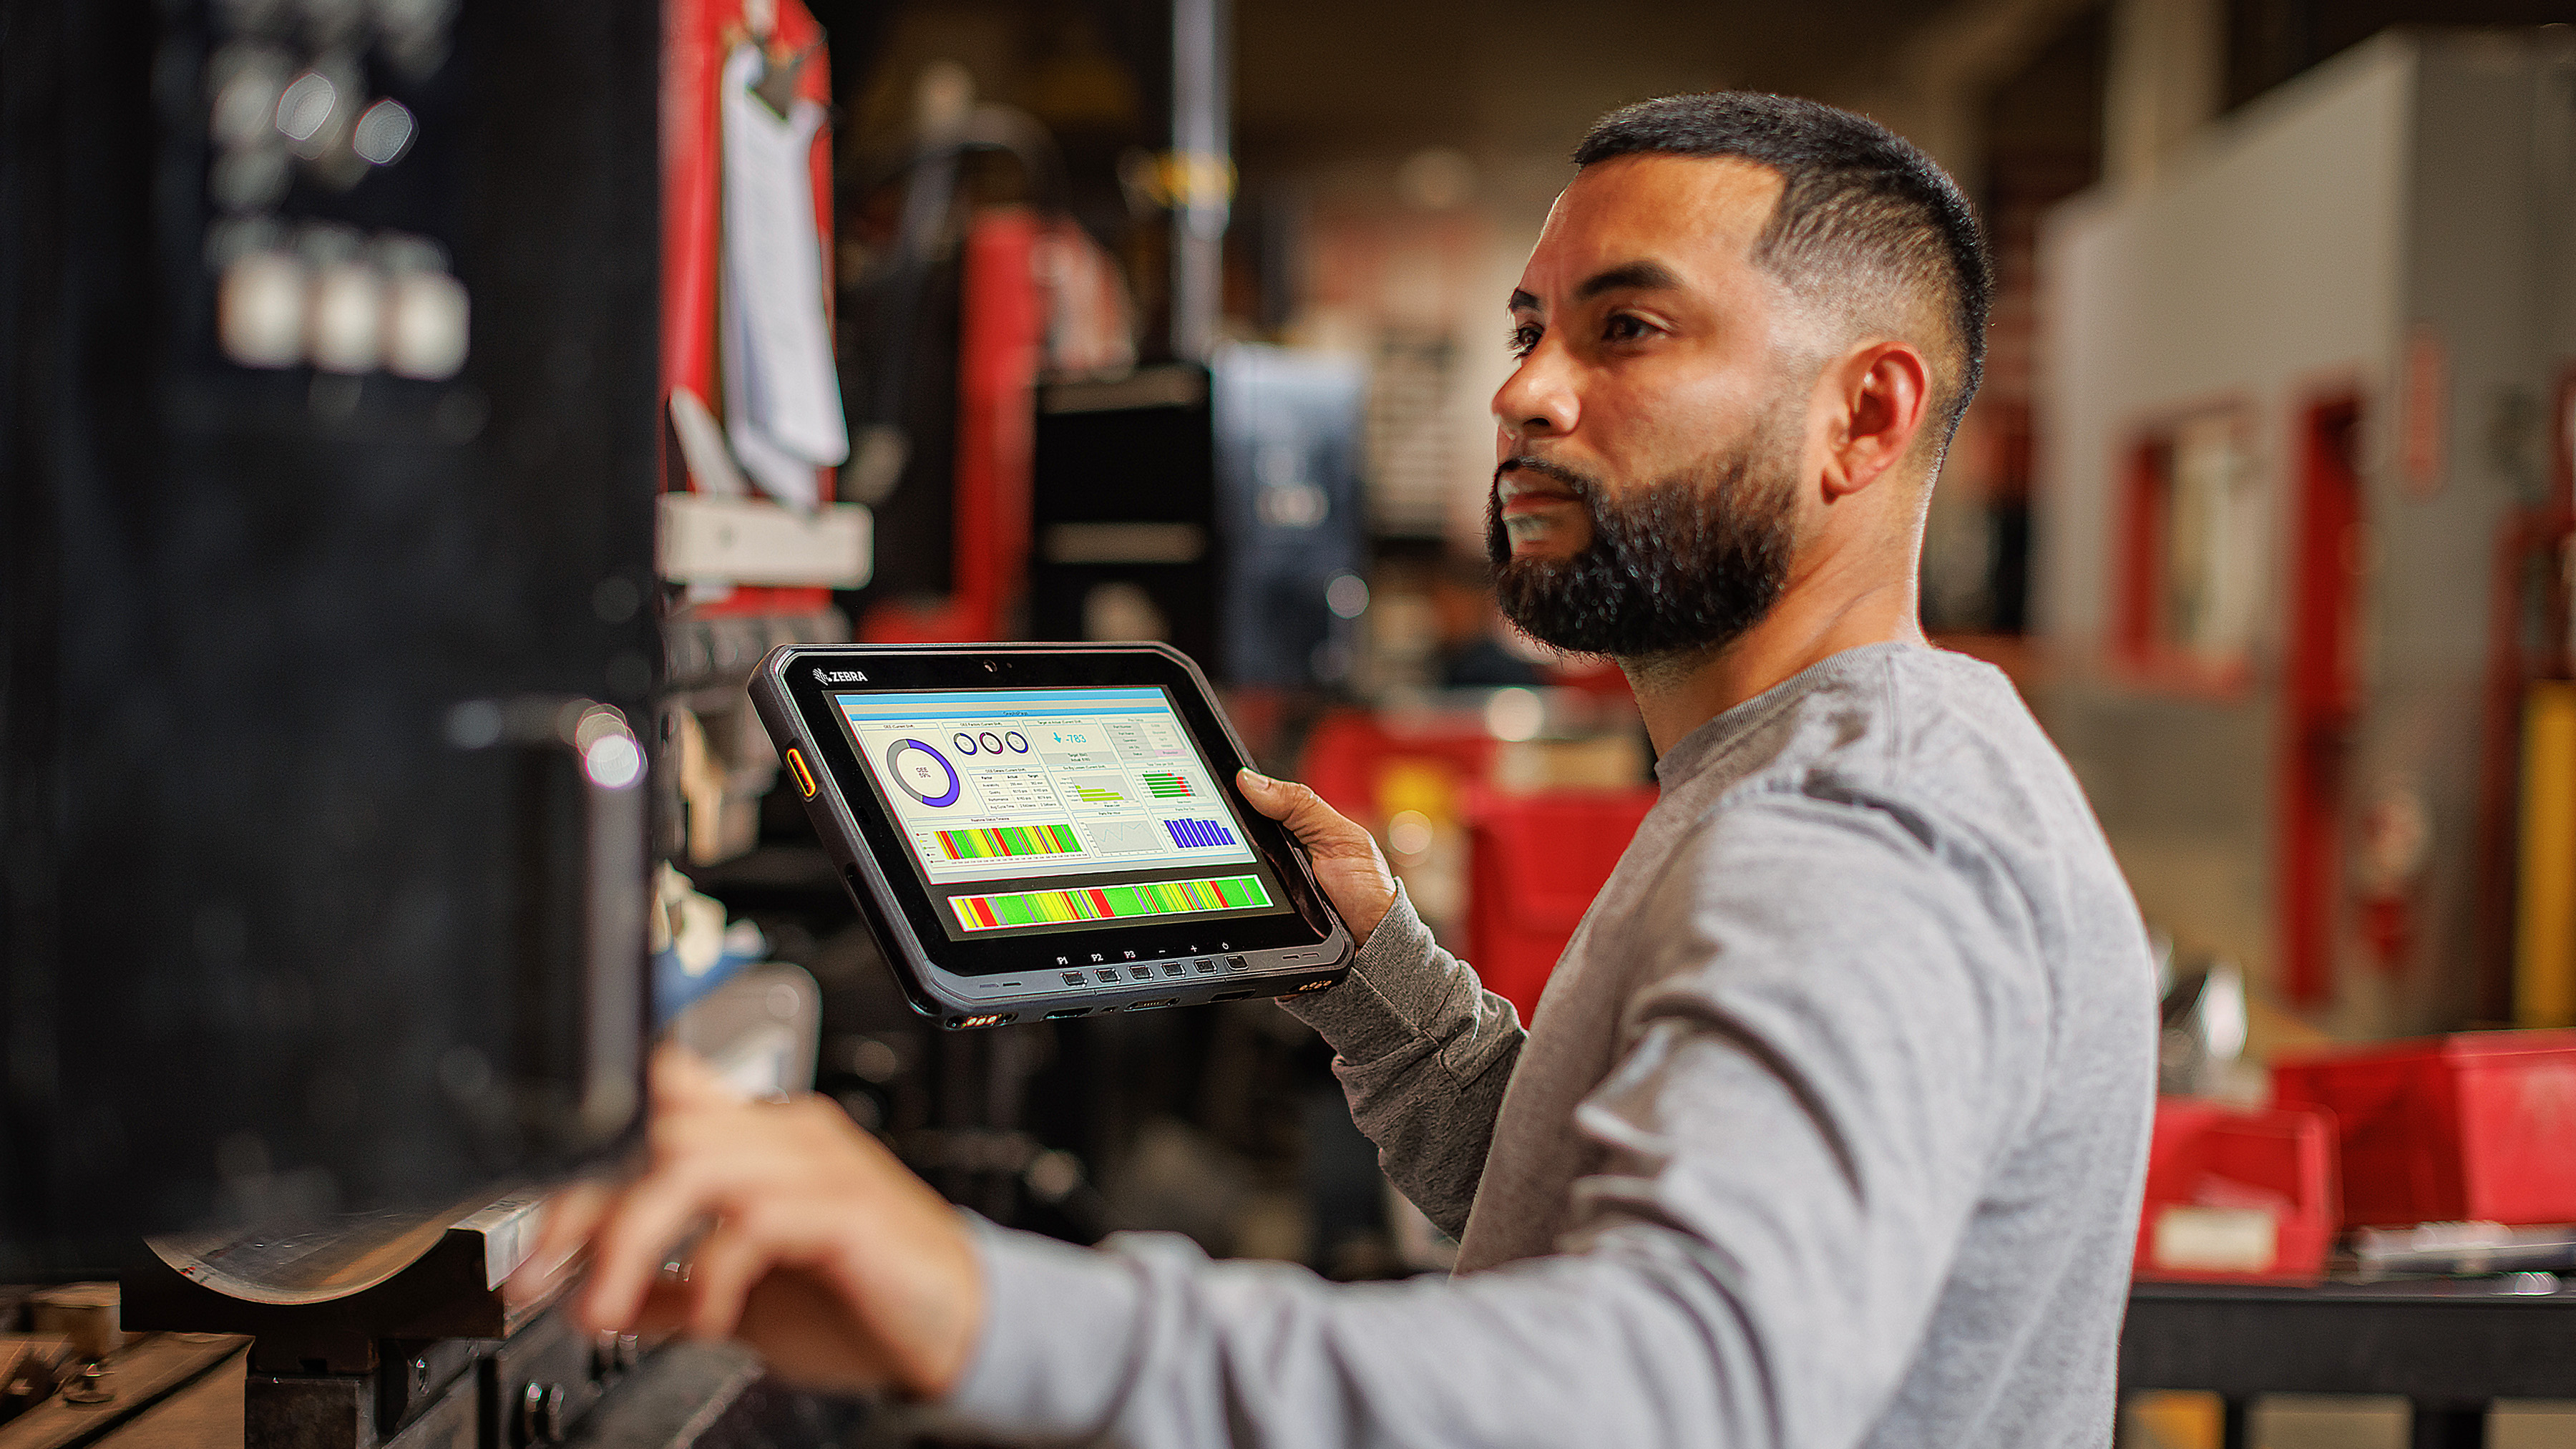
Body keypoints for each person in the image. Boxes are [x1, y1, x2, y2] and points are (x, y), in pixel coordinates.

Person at [531, 93, 2157, 1448]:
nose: (1522, 390)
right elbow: (1563, 1202)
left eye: (1629, 328)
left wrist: (967, 1299)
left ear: (1863, 418)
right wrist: (1373, 976)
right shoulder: (1775, 774)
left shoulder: (1863, 827)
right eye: (1528, 329)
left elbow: (1681, 1385)